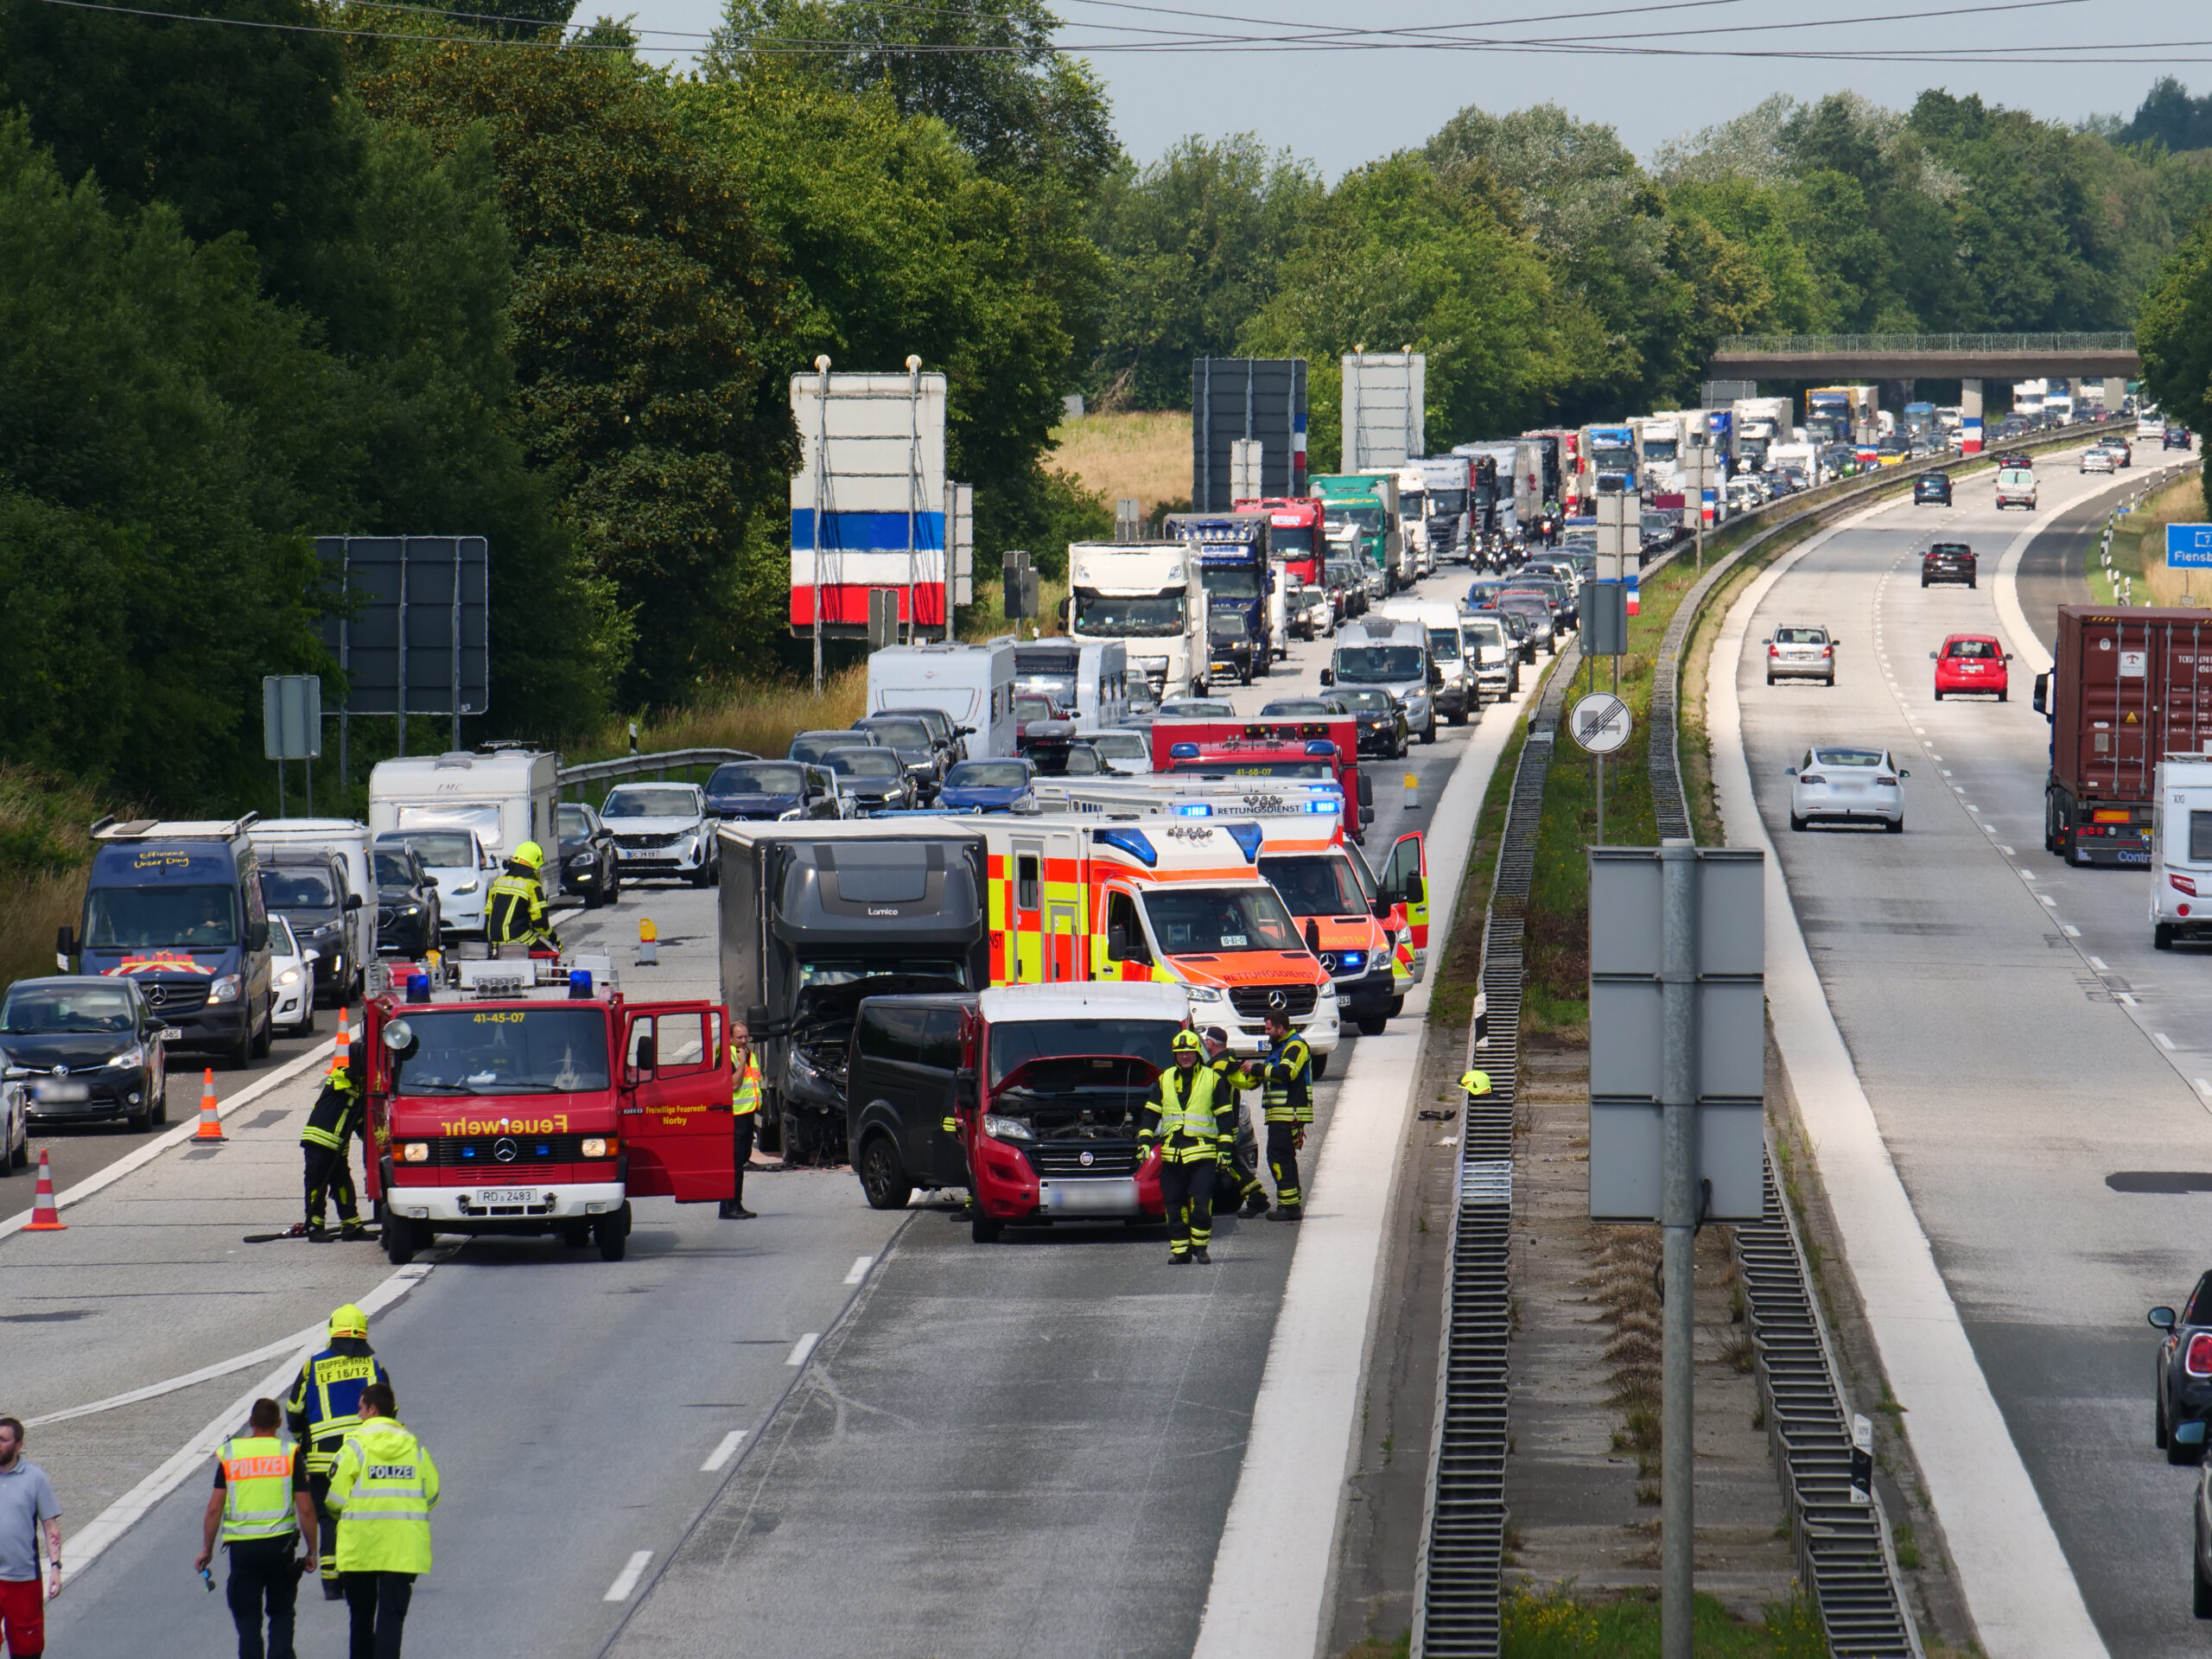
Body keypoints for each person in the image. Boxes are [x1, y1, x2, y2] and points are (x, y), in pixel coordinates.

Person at [195, 1398, 317, 1659]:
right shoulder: (288, 1453)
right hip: (280, 1547)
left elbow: (214, 1508)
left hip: (243, 1550)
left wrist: (207, 1549)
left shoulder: (231, 1454)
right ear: (279, 1423)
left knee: (249, 1619)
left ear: (251, 1423)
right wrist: (312, 1550)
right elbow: (306, 1509)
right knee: (282, 1611)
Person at [285, 1305, 391, 1603]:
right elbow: (390, 1411)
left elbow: (294, 1411)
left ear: (333, 1331)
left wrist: (303, 1443)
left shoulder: (314, 1366)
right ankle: (366, 1575)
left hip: (323, 1462)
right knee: (367, 1516)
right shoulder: (374, 1367)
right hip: (367, 1461)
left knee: (330, 1519)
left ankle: (332, 1583)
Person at [327, 1382, 438, 1659]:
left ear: (373, 1410)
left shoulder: (354, 1448)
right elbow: (432, 1494)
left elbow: (334, 1501)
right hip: (402, 1547)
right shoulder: (414, 1448)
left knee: (361, 1617)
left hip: (361, 1547)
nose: (358, 1416)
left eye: (360, 1409)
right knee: (391, 1618)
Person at [1136, 1029, 1231, 1264]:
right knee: (1174, 1204)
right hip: (1172, 1155)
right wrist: (1144, 1142)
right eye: (1180, 1053)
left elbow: (1225, 1117)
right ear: (1174, 1055)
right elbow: (1151, 1114)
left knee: (1201, 1202)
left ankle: (1200, 1248)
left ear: (1197, 1053)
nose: (1185, 1056)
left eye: (1189, 1052)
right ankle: (1180, 1250)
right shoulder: (1164, 1079)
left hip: (1203, 1154)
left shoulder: (1213, 1079)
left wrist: (1226, 1148)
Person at [293, 1041, 368, 1242]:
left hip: (337, 1148)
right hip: (319, 1142)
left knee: (343, 1184)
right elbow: (343, 1078)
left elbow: (361, 1126)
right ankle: (315, 1226)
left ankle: (351, 1226)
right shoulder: (340, 1078)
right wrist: (360, 1080)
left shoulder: (362, 1093)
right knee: (317, 1183)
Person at [0, 1416, 60, 1659]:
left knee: (27, 1651)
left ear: (18, 1445)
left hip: (22, 1580)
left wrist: (56, 1566)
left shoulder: (35, 1478)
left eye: (3, 1440)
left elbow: (50, 1525)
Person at [1199, 1027, 1268, 1220]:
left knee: (1232, 1166)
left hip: (1219, 1127)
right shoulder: (1227, 1064)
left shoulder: (1220, 1066)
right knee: (1232, 1165)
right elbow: (1251, 1083)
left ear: (1211, 1044)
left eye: (1206, 1042)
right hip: (1225, 1126)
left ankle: (1258, 1199)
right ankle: (1257, 1198)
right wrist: (1252, 1070)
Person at [1257, 1008, 1315, 1219]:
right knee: (1282, 1158)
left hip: (1289, 1113)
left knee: (1279, 1158)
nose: (1267, 1032)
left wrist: (1258, 1070)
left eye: (1269, 1028)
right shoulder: (1281, 1047)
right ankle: (1289, 1204)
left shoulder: (1295, 1046)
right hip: (1279, 1114)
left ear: (1281, 1028)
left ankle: (1289, 1207)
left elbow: (1286, 1073)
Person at [483, 841, 561, 953]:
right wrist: (554, 939)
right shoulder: (531, 886)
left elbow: (488, 914)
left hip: (496, 943)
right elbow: (540, 923)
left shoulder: (498, 883)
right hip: (519, 942)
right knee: (550, 956)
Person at [721, 1022, 761, 1220]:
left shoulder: (748, 1055)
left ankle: (730, 1204)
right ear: (730, 1038)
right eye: (740, 1037)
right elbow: (734, 1085)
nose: (744, 1041)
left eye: (746, 1037)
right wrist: (742, 1061)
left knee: (742, 1158)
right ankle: (732, 1205)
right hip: (735, 1116)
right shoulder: (727, 1056)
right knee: (736, 1162)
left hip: (747, 1114)